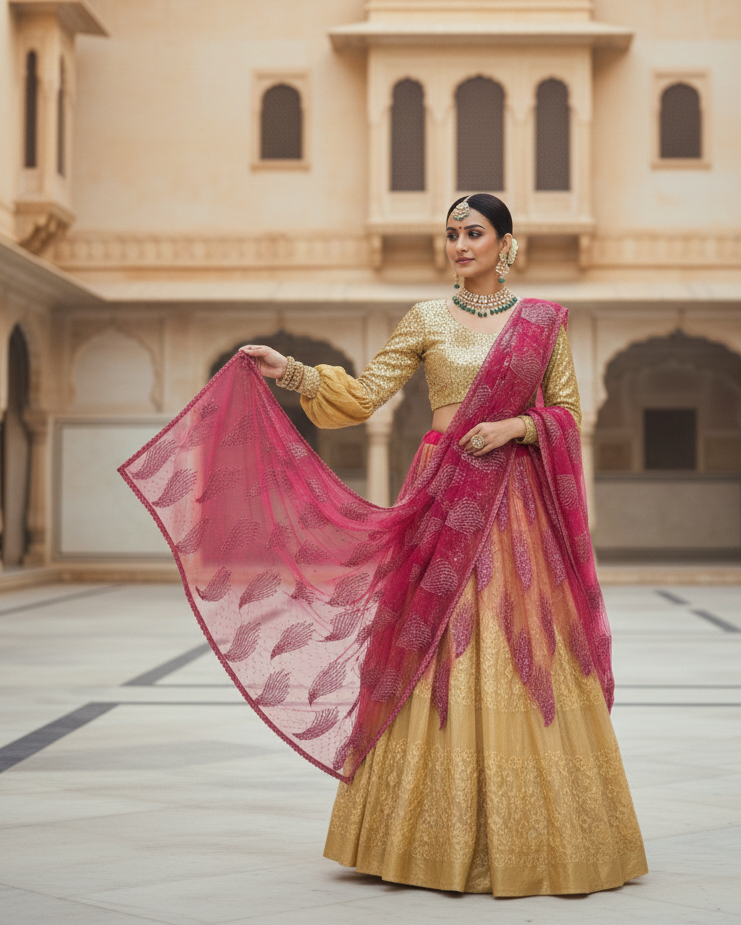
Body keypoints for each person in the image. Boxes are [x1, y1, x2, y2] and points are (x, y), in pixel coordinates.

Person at [121, 193, 647, 899]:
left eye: (475, 233)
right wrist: (292, 372)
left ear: (506, 243)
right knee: (432, 642)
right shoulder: (427, 318)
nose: (461, 245)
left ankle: (541, 836)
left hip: (514, 501)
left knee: (519, 642)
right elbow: (365, 397)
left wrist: (516, 430)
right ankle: (419, 837)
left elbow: (566, 414)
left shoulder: (543, 324)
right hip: (443, 491)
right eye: (453, 234)